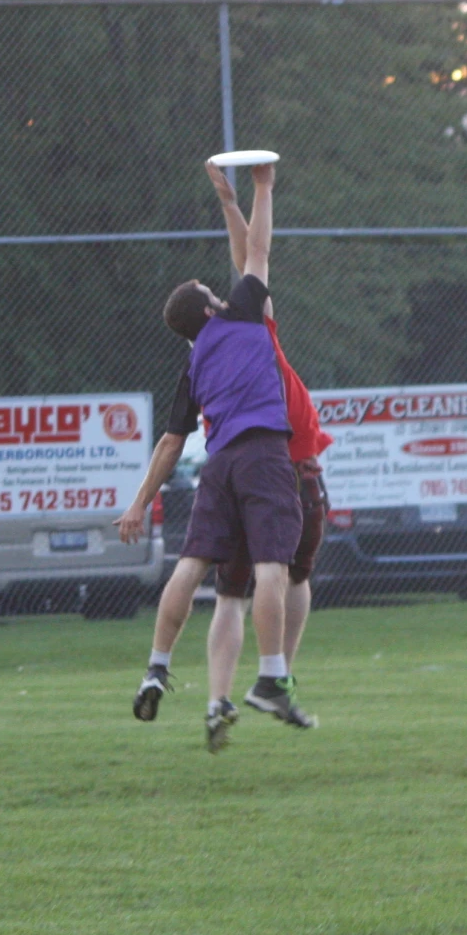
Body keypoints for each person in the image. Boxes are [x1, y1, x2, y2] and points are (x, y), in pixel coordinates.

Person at [116, 159, 317, 750]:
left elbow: (172, 442)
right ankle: (272, 678)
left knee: (192, 564)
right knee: (272, 568)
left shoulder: (194, 360)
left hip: (219, 464)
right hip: (263, 457)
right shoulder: (247, 318)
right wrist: (261, 189)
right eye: (212, 292)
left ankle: (156, 664)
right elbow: (258, 252)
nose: (219, 291)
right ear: (210, 308)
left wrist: (137, 504)